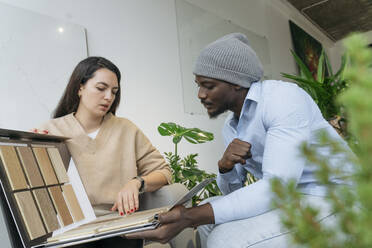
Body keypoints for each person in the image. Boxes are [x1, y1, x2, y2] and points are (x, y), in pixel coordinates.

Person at [126, 33, 354, 247]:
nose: (200, 95)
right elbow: (231, 194)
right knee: (208, 228)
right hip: (293, 200)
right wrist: (225, 169)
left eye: (208, 85)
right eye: (199, 85)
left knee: (224, 241)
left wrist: (188, 216)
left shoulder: (282, 99)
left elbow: (278, 189)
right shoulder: (232, 126)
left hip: (335, 197)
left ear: (236, 82)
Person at [35, 56, 173, 248]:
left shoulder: (126, 129)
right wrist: (32, 151)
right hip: (70, 228)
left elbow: (164, 172)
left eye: (114, 92)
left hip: (118, 227)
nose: (109, 97)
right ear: (80, 87)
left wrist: (137, 182)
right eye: (101, 88)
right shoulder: (51, 130)